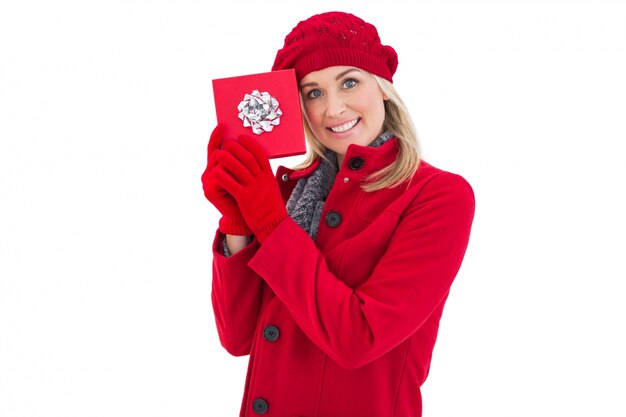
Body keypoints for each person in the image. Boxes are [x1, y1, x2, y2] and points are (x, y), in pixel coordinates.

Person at [201, 11, 475, 417]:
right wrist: (238, 225)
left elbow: (360, 339)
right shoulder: (289, 191)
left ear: (383, 88)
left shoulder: (438, 196)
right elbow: (238, 338)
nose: (333, 109)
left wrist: (272, 226)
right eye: (313, 92)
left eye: (349, 82)